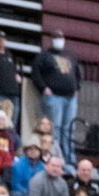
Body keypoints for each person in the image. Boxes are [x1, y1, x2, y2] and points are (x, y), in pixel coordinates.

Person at [35, 29, 80, 164]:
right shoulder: (44, 56)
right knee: (56, 129)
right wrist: (43, 88)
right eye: (56, 37)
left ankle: (68, 159)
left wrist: (77, 88)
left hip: (70, 97)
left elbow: (77, 73)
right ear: (51, 39)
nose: (59, 39)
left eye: (60, 37)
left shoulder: (70, 56)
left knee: (69, 129)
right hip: (54, 97)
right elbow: (36, 73)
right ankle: (56, 157)